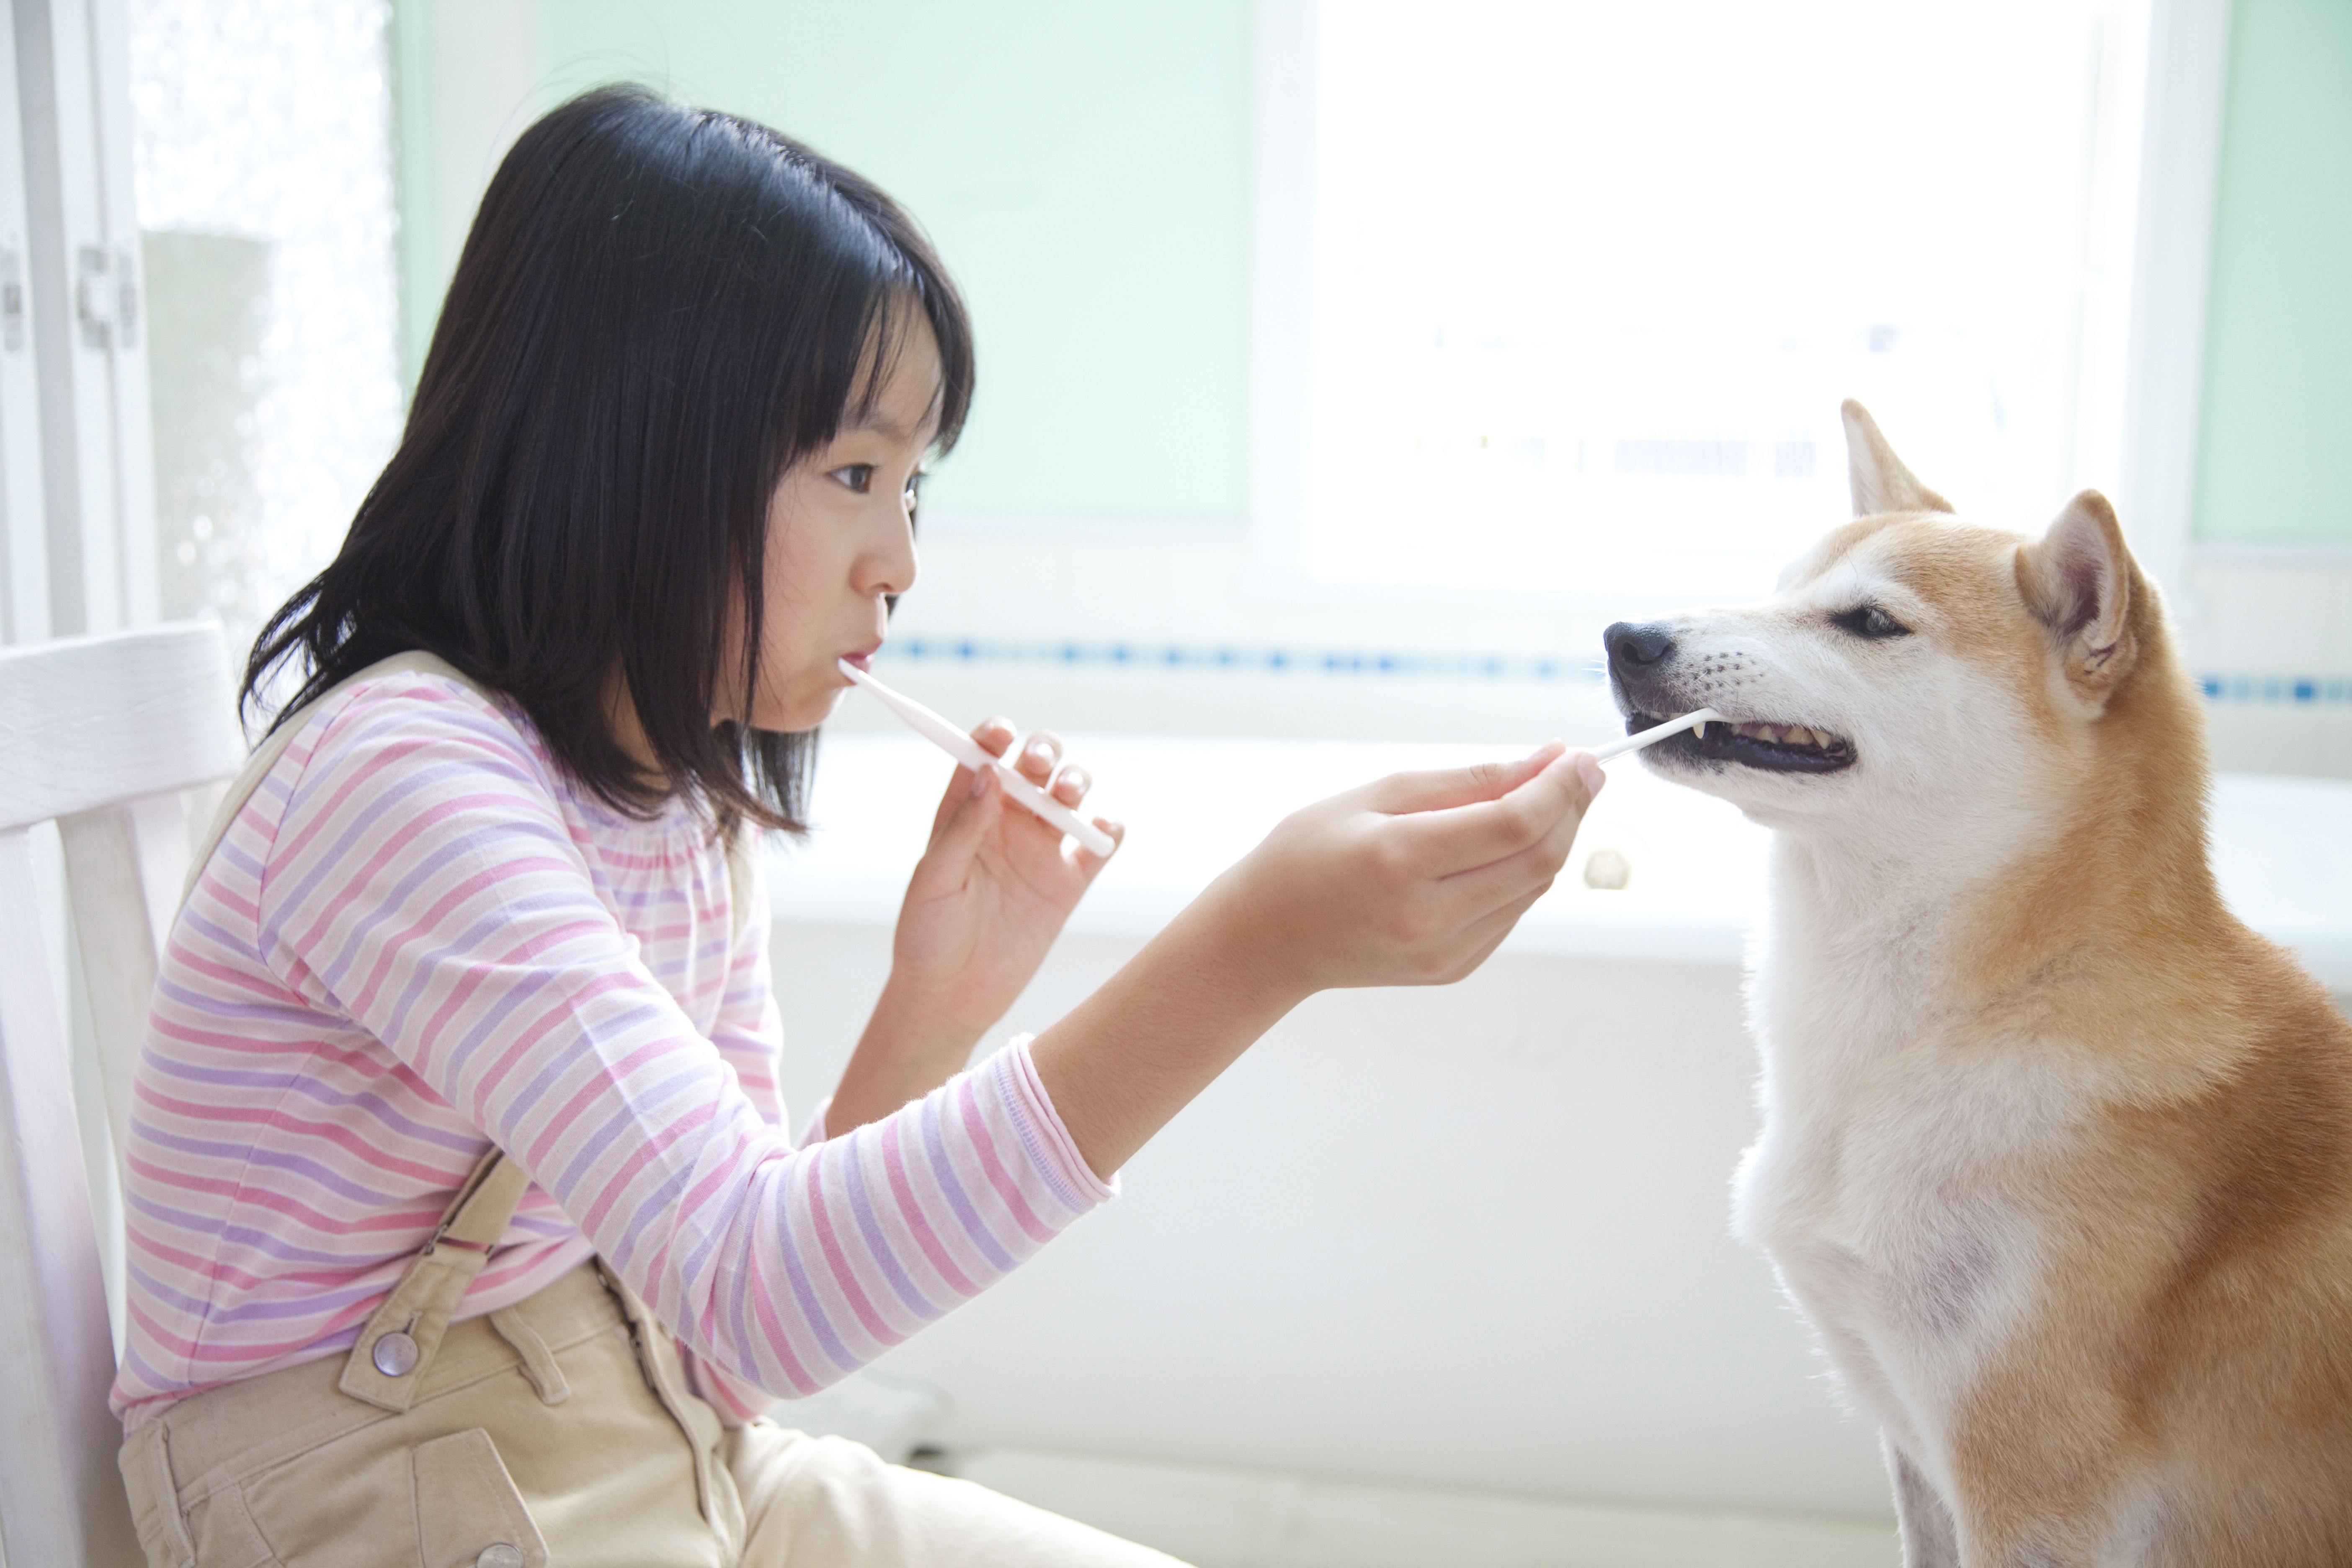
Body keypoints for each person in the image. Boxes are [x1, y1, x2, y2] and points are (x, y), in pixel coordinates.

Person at [112, 85, 1604, 1568]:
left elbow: (732, 1353)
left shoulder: (678, 813)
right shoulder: (401, 780)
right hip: (371, 1499)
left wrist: (936, 1004)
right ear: (638, 449)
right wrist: (1256, 949)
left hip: (665, 1457)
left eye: (913, 486)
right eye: (851, 474)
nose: (899, 561)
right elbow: (765, 1293)